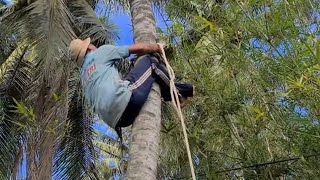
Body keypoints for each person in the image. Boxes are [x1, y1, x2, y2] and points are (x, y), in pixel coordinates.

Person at [68, 38, 194, 135]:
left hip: (119, 121)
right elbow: (137, 49)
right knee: (150, 63)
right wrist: (157, 47)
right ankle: (180, 94)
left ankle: (180, 92)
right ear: (89, 47)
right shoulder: (99, 53)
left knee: (131, 79)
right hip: (126, 103)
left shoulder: (84, 78)